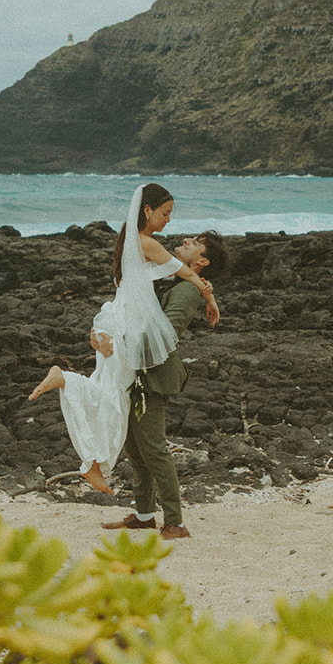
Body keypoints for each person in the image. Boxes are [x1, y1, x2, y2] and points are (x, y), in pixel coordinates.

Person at [28, 184, 218, 494]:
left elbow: (168, 276)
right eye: (165, 213)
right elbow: (187, 273)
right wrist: (210, 300)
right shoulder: (148, 243)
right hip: (127, 324)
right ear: (147, 211)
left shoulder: (133, 240)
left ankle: (92, 460)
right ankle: (88, 447)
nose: (169, 221)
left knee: (110, 390)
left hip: (116, 318)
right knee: (116, 397)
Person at [102, 229, 230, 540]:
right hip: (137, 369)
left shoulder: (185, 291)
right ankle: (145, 516)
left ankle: (176, 523)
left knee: (155, 450)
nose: (186, 240)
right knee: (136, 449)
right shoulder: (174, 278)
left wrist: (121, 349)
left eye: (195, 243)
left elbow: (167, 334)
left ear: (202, 260)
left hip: (154, 375)